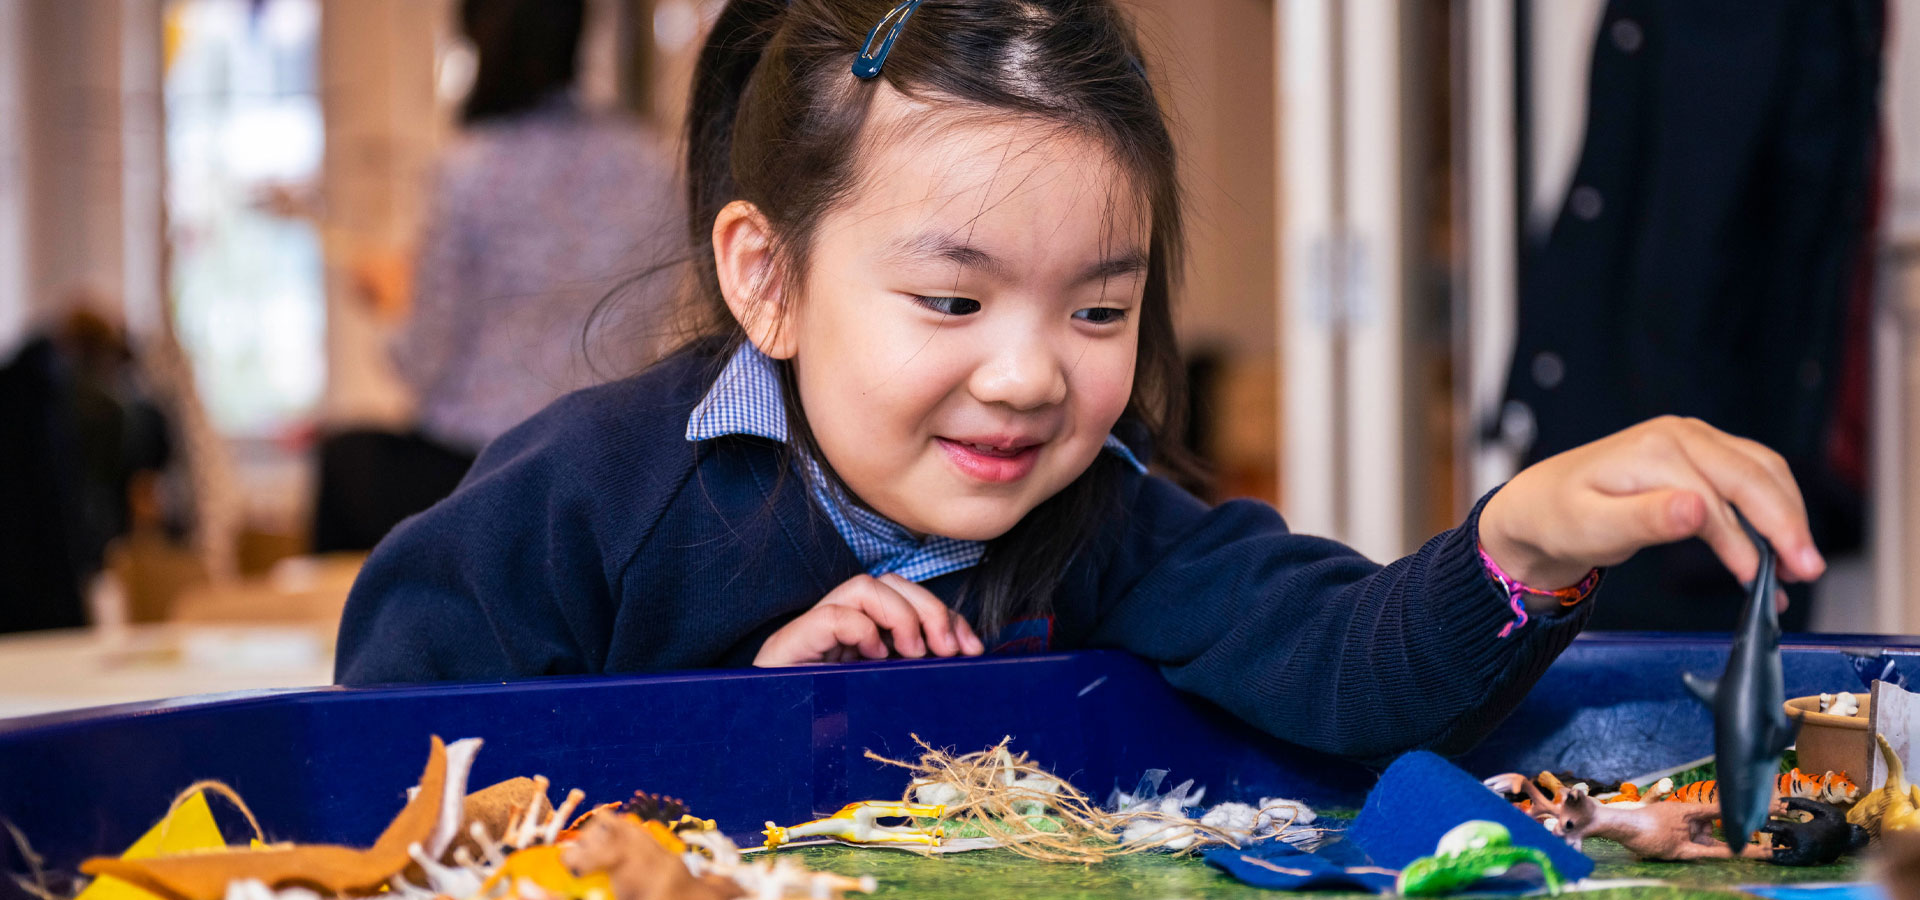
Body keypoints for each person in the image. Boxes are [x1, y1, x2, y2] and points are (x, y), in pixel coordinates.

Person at [336, 0, 1824, 761]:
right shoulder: (592, 497)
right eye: (951, 298)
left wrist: (1525, 547)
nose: (1029, 374)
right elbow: (397, 745)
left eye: (1099, 308)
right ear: (768, 280)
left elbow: (1349, 663)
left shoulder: (1106, 517)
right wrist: (731, 716)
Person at [314, 0, 680, 552]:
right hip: (607, 465)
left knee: (343, 460)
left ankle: (367, 635)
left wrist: (391, 295)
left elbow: (421, 364)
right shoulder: (652, 166)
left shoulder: (468, 171)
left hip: (473, 472)